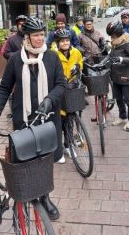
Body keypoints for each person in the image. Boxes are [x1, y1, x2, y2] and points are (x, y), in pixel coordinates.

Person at [0, 17, 66, 221]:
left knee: (45, 160)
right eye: (36, 35)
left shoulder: (51, 57)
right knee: (26, 158)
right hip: (24, 118)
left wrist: (49, 99)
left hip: (48, 118)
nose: (40, 38)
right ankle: (26, 193)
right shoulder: (15, 60)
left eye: (41, 34)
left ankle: (45, 198)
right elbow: (4, 88)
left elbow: (61, 84)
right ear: (26, 37)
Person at [52, 28, 83, 163]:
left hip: (71, 88)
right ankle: (58, 151)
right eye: (62, 41)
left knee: (70, 120)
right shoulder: (53, 54)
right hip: (59, 90)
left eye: (67, 40)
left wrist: (78, 67)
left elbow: (80, 63)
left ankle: (68, 145)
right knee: (59, 121)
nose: (65, 43)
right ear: (58, 43)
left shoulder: (75, 52)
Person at [106, 20, 129, 131]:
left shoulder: (126, 42)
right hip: (116, 76)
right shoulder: (115, 42)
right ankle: (122, 116)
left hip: (126, 76)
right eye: (111, 35)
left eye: (113, 34)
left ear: (118, 31)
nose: (112, 37)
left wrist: (121, 59)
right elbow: (111, 56)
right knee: (118, 99)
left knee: (128, 100)